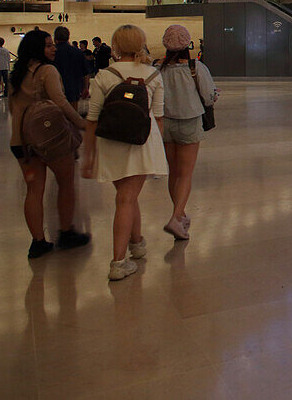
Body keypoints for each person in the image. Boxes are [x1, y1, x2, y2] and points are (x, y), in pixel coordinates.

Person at [82, 25, 167, 281]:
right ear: (141, 44)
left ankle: (137, 243)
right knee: (127, 198)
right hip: (141, 142)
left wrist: (88, 155)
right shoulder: (152, 75)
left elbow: (92, 119)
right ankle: (119, 261)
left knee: (126, 195)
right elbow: (159, 117)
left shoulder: (105, 76)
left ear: (115, 46)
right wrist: (156, 148)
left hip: (112, 141)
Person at [8, 29, 91, 259]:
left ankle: (38, 242)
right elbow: (61, 102)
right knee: (66, 183)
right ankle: (66, 232)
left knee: (33, 190)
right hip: (51, 139)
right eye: (48, 45)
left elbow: (11, 108)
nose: (53, 48)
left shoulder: (16, 74)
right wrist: (81, 124)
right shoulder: (47, 71)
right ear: (37, 50)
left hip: (22, 141)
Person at [157, 24, 217, 240]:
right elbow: (209, 96)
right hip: (190, 122)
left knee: (173, 172)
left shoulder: (158, 69)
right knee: (185, 173)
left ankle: (180, 215)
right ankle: (175, 217)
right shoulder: (196, 67)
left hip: (165, 123)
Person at [52, 26, 89, 109]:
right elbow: (85, 73)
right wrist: (85, 88)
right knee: (73, 115)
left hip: (56, 90)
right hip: (74, 89)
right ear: (68, 36)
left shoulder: (52, 52)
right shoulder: (78, 52)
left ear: (55, 38)